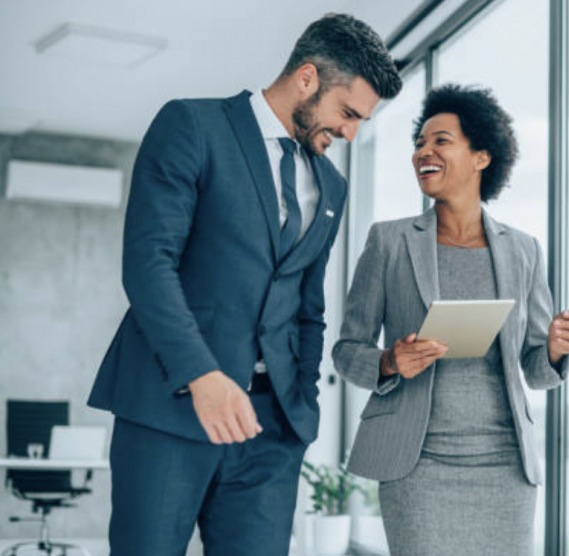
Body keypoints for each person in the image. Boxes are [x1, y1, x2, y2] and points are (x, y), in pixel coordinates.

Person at [87, 13, 401, 556]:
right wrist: (201, 375)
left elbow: (308, 305)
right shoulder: (192, 126)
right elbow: (149, 264)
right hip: (170, 409)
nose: (351, 132)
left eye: (361, 122)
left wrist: (301, 406)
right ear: (307, 78)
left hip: (271, 430)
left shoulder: (331, 184)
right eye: (347, 113)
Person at [333, 84, 569, 556]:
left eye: (440, 141)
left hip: (506, 467)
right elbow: (347, 351)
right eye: (419, 143)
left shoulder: (523, 249)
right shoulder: (389, 242)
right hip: (418, 466)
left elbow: (533, 370)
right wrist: (390, 361)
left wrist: (552, 349)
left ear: (481, 157)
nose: (423, 152)